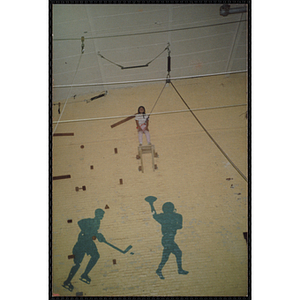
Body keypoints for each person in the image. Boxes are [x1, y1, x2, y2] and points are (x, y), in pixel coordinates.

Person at [62, 209, 106, 291]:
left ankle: (84, 274)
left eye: (102, 215)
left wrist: (99, 236)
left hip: (88, 243)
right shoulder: (90, 220)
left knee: (95, 256)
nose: (102, 216)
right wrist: (89, 232)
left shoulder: (97, 222)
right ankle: (68, 281)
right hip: (82, 243)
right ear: (96, 214)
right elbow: (80, 222)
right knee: (78, 263)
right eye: (101, 214)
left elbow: (94, 232)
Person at [150, 200, 189, 280]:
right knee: (175, 253)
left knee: (168, 256)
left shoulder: (174, 216)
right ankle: (178, 270)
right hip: (167, 239)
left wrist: (151, 204)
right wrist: (151, 204)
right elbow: (154, 215)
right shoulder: (172, 216)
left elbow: (180, 226)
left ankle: (159, 270)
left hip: (168, 239)